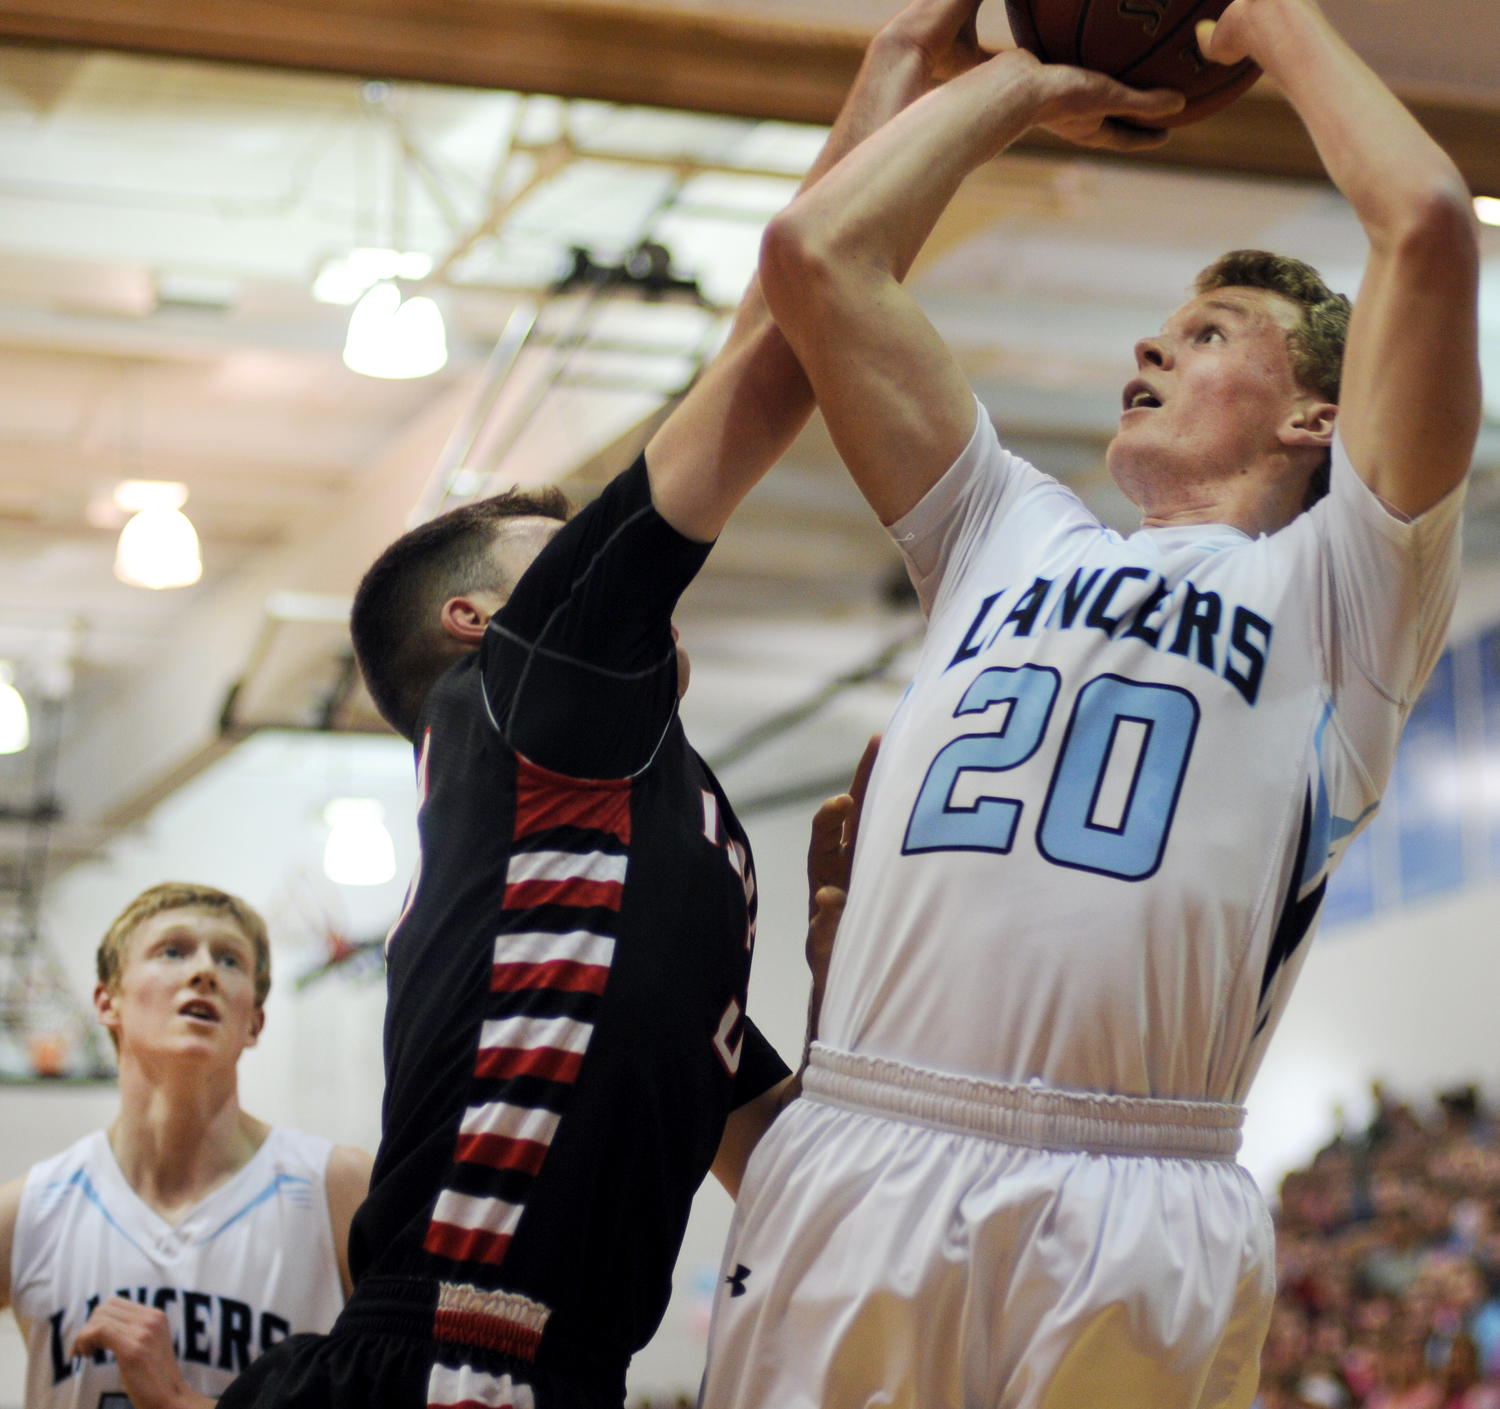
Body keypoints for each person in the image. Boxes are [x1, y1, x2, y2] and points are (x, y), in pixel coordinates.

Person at [700, 0, 1482, 1403]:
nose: (1155, 348)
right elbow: (820, 258)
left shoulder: (1346, 596)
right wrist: (999, 84)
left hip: (1145, 1185)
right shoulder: (1005, 528)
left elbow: (1425, 216)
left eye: (1209, 331)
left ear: (1317, 415)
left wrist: (1267, 23)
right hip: (872, 1128)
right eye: (1161, 327)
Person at [210, 8, 920, 1403]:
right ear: (484, 621)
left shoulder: (620, 811)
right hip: (448, 1361)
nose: (601, 558)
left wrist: (862, 1001)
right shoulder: (526, 695)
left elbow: (767, 1148)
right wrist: (945, 87)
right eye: (558, 544)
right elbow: (778, 358)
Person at [0, 882, 374, 1409]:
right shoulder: (27, 1211)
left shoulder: (339, 1188)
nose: (203, 972)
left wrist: (178, 1400)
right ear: (108, 1001)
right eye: (172, 951)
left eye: (229, 960)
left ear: (255, 1022)